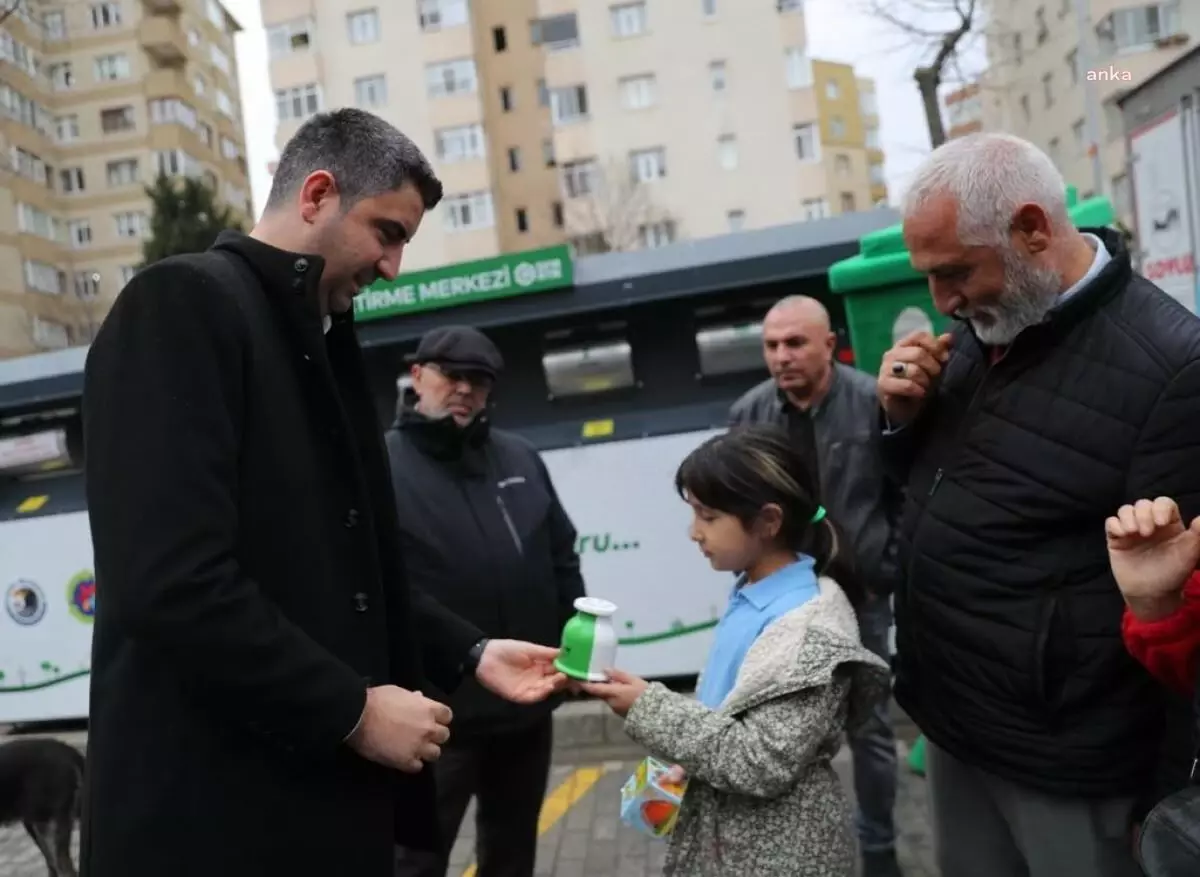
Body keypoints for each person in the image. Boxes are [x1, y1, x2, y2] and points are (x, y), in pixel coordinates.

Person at [80, 108, 566, 877]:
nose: (394, 266)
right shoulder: (182, 304)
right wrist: (354, 710)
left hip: (308, 809)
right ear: (316, 195)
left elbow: (337, 576)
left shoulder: (319, 337)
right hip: (211, 823)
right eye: (387, 232)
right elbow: (169, 580)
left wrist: (469, 650)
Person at [876, 131, 1200, 877]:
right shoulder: (986, 324)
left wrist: (1169, 796)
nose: (942, 302)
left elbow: (1180, 612)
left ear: (1031, 230)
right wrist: (901, 419)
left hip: (1068, 762)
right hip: (957, 722)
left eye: (954, 272)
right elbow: (953, 486)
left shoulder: (1172, 368)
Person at [581, 424, 890, 876]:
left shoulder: (809, 630)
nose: (694, 532)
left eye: (708, 516)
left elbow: (760, 760)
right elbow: (729, 711)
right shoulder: (751, 590)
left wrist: (647, 706)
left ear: (768, 521)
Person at [388, 325, 586, 877]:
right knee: (415, 862)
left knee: (512, 856)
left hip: (524, 713)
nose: (465, 390)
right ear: (419, 375)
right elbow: (379, 587)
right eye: (452, 375)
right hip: (436, 718)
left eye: (479, 381)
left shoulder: (520, 457)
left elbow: (561, 556)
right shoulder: (378, 465)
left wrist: (576, 646)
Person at [728, 294, 903, 877]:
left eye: (795, 343)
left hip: (860, 597)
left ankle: (878, 850)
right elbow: (735, 508)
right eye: (772, 345)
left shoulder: (873, 401)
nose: (782, 356)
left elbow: (901, 495)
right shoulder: (749, 413)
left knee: (870, 731)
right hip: (783, 605)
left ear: (829, 344)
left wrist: (887, 563)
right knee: (782, 735)